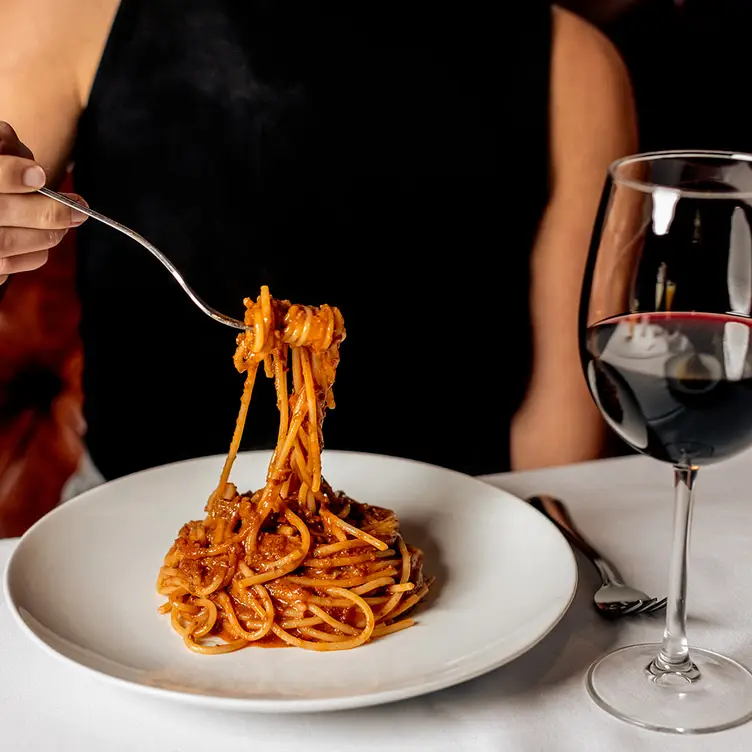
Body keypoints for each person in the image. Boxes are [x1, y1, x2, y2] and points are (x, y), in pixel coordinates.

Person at [0, 0, 636, 486]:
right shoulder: (70, 13)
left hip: (466, 517)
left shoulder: (573, 63)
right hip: (124, 513)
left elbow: (561, 442)